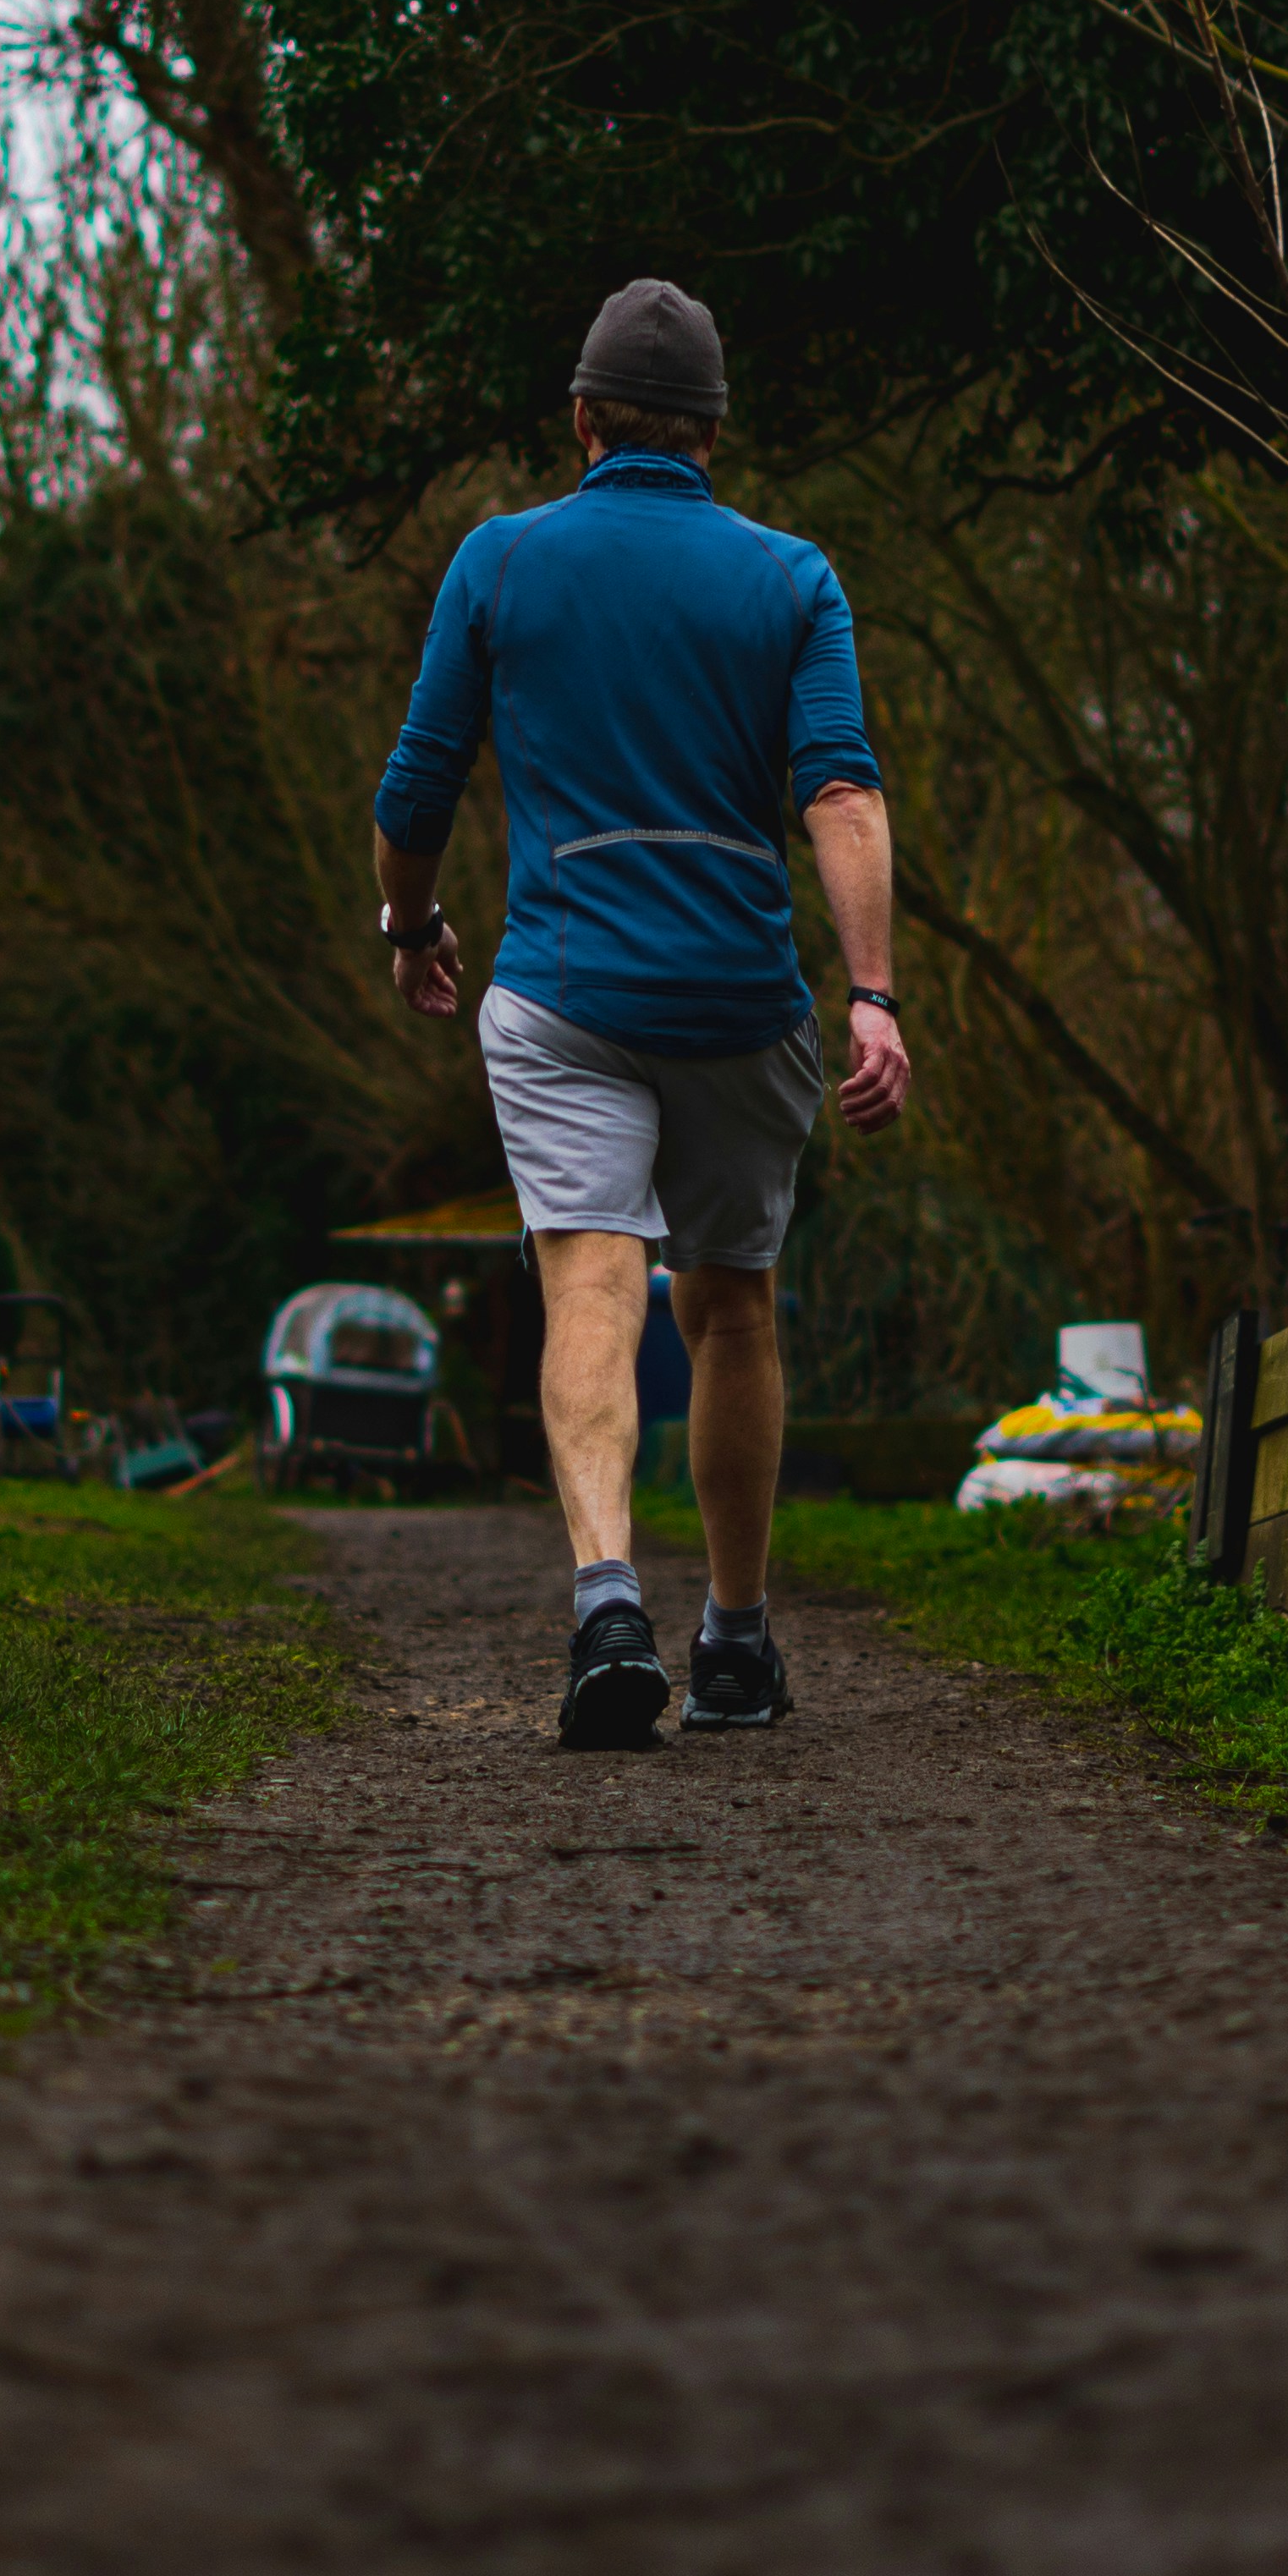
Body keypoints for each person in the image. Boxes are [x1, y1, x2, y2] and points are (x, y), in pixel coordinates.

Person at [370, 277, 913, 1747]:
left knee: (591, 1289)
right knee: (731, 1308)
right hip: (740, 999)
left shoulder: (499, 561)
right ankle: (732, 1642)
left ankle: (606, 1598)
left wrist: (411, 923)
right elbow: (842, 791)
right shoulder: (792, 578)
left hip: (562, 998)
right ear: (715, 435)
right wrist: (870, 995)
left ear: (579, 421)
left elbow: (416, 786)